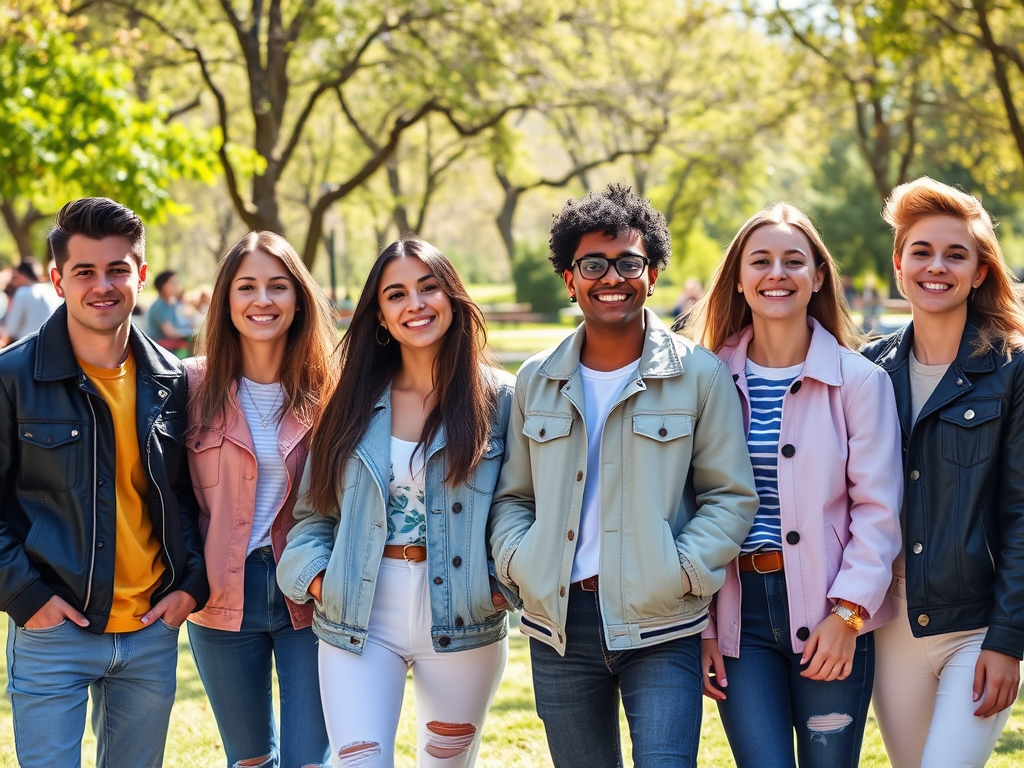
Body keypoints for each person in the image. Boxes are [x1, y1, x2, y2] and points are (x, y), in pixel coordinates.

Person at [489, 183, 759, 768]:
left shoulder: (699, 376)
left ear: (654, 273)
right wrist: (520, 560)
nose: (612, 277)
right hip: (560, 626)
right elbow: (513, 497)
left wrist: (680, 570)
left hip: (662, 626)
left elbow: (729, 496)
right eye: (593, 264)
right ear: (570, 279)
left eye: (629, 263)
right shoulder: (536, 380)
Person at [277, 237, 514, 768]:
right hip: (360, 613)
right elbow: (314, 516)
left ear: (452, 299)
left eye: (429, 288)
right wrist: (319, 578)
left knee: (447, 763)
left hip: (464, 615)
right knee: (360, 760)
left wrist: (501, 584)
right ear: (380, 317)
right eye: (397, 294)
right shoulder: (350, 403)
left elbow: (522, 506)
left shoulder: (502, 400)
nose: (416, 304)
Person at [685, 203, 903, 767]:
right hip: (741, 619)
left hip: (832, 613)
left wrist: (849, 614)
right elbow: (690, 507)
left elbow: (878, 512)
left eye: (793, 261)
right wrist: (706, 626)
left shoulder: (860, 382)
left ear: (818, 276)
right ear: (739, 276)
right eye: (760, 261)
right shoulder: (705, 378)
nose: (776, 273)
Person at [0, 197, 207, 768]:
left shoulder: (171, 379)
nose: (103, 285)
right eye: (84, 271)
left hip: (149, 632)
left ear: (140, 274)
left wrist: (189, 584)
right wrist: (25, 595)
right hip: (52, 630)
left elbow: (186, 495)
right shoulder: (12, 378)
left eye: (118, 269)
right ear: (57, 280)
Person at [862, 176, 1024, 768]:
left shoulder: (1013, 371)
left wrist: (1008, 641)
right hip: (891, 625)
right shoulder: (867, 371)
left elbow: (1020, 513)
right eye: (921, 252)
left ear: (980, 271)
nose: (938, 267)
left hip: (976, 626)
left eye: (957, 254)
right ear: (900, 266)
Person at [184, 232, 337, 768]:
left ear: (299, 298)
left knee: (307, 761)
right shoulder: (189, 387)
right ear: (226, 300)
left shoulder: (334, 391)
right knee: (248, 761)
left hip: (312, 593)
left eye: (278, 286)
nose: (263, 300)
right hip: (222, 595)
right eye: (246, 287)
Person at [1, 256, 63, 344]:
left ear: (21, 275)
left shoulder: (23, 292)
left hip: (27, 345)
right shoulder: (51, 290)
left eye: (15, 277)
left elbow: (12, 329)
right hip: (50, 342)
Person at [147, 269, 194, 356]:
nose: (177, 286)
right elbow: (171, 333)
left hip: (171, 345)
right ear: (163, 286)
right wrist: (190, 334)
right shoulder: (159, 305)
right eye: (173, 283)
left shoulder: (172, 303)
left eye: (177, 282)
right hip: (160, 347)